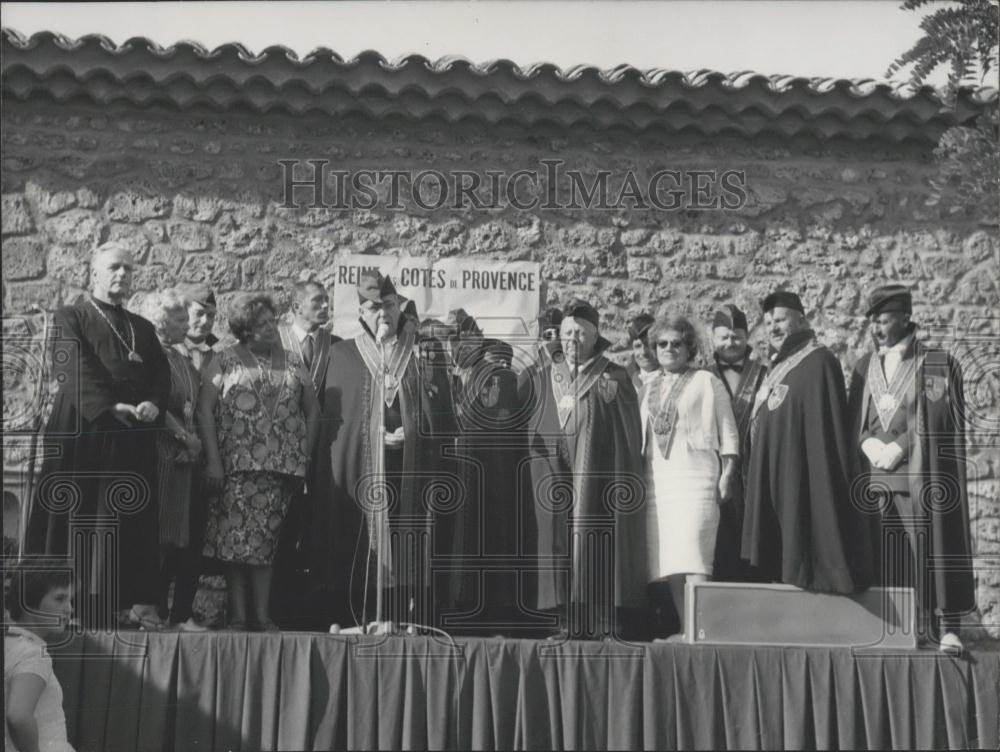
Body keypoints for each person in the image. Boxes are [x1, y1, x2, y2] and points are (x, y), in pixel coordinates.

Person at [26, 242, 169, 631]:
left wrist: (154, 403)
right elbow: (71, 363)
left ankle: (115, 606)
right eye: (113, 268)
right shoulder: (70, 316)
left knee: (120, 522)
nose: (121, 274)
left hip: (129, 438)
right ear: (95, 274)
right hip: (84, 430)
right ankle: (64, 607)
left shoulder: (142, 327)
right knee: (79, 518)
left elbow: (160, 374)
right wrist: (108, 407)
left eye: (127, 268)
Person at [308, 272, 454, 632]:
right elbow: (334, 425)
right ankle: (355, 615)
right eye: (374, 307)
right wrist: (373, 435)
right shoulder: (341, 355)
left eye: (389, 305)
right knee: (355, 536)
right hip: (361, 471)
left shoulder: (422, 354)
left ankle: (402, 616)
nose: (383, 314)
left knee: (408, 541)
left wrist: (414, 432)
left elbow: (442, 416)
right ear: (361, 310)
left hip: (411, 471)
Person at [847, 284, 975, 652]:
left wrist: (901, 448)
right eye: (872, 322)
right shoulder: (862, 366)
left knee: (928, 552)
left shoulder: (936, 362)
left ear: (905, 318)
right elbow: (856, 420)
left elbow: (937, 423)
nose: (876, 329)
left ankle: (945, 628)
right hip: (873, 481)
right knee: (884, 558)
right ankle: (894, 630)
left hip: (917, 478)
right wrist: (866, 442)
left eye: (884, 321)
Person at [519, 298, 647, 639]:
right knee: (557, 544)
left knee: (598, 542)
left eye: (579, 333)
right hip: (553, 473)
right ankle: (565, 620)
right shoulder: (545, 377)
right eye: (566, 332)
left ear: (594, 337)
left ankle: (604, 621)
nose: (571, 339)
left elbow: (627, 436)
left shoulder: (613, 376)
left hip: (598, 475)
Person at [198, 294, 319, 631]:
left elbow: (313, 412)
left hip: (282, 471)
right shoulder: (224, 360)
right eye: (263, 324)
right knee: (234, 543)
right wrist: (213, 461)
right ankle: (238, 617)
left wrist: (305, 457)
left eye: (272, 321)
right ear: (246, 331)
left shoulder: (295, 362)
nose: (272, 327)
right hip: (236, 467)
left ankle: (262, 616)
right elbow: (205, 410)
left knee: (266, 542)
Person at [741, 291, 873, 593]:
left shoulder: (819, 361)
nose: (773, 327)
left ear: (801, 320)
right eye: (769, 322)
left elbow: (823, 432)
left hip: (801, 471)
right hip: (776, 471)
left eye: (781, 320)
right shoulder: (780, 365)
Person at [641, 317, 739, 640]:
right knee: (670, 557)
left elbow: (728, 429)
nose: (669, 349)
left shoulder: (705, 381)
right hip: (660, 480)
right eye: (662, 344)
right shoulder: (650, 384)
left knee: (696, 553)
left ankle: (703, 629)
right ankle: (686, 629)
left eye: (676, 343)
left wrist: (727, 474)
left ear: (689, 348)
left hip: (696, 476)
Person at [442, 314, 529, 633]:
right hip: (451, 474)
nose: (458, 346)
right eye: (452, 340)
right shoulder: (445, 377)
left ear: (478, 340)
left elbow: (499, 429)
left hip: (489, 476)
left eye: (465, 339)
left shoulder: (498, 377)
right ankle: (454, 606)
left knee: (487, 540)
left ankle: (489, 611)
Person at [138, 290, 208, 632]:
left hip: (183, 456)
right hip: (163, 451)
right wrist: (184, 438)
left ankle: (158, 609)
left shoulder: (181, 357)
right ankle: (146, 605)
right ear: (161, 323)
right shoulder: (154, 356)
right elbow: (157, 404)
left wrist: (192, 445)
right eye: (180, 319)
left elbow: (189, 403)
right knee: (157, 533)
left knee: (172, 537)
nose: (188, 324)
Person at [274, 280, 341, 629]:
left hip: (324, 451)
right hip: (279, 451)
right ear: (296, 306)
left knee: (319, 529)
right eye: (317, 301)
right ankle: (276, 610)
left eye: (327, 301)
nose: (325, 306)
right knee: (280, 528)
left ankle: (315, 612)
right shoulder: (274, 343)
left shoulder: (340, 347)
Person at [707, 304, 768, 582]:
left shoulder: (767, 373)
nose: (731, 343)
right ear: (713, 339)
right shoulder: (701, 376)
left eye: (737, 337)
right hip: (712, 469)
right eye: (724, 337)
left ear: (747, 338)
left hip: (756, 470)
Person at [4, 558, 75, 752]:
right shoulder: (34, 654)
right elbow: (18, 716)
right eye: (60, 599)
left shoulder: (10, 644)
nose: (69, 609)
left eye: (70, 600)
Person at [176, 284, 219, 373]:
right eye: (199, 314)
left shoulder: (220, 355)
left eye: (210, 316)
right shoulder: (170, 352)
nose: (205, 321)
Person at [625, 313, 658, 391]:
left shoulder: (674, 377)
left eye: (648, 345)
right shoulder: (624, 379)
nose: (643, 352)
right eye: (638, 346)